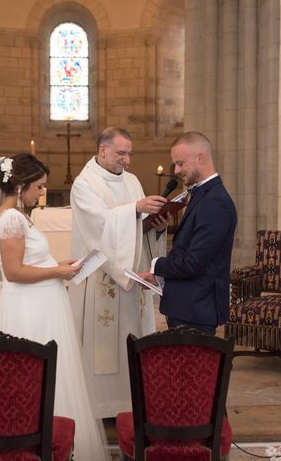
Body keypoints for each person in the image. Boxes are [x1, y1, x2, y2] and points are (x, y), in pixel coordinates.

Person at [0, 153, 108, 461]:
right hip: (30, 309)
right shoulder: (11, 218)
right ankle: (43, 444)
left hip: (40, 302)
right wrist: (57, 272)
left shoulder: (18, 215)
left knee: (47, 375)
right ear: (20, 186)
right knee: (38, 376)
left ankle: (52, 442)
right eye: (38, 187)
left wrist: (57, 264)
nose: (42, 193)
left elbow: (28, 262)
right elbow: (13, 272)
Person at [69, 127, 170, 418]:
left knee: (133, 338)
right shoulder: (84, 183)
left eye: (129, 154)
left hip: (133, 277)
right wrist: (135, 209)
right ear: (102, 150)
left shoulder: (133, 180)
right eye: (121, 153)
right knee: (104, 349)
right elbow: (97, 227)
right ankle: (103, 408)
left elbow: (138, 228)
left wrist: (156, 227)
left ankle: (133, 405)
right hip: (102, 279)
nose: (127, 160)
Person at [140, 131, 237, 334]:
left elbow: (193, 263)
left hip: (197, 309)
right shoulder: (202, 195)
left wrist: (157, 265)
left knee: (193, 366)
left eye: (181, 163)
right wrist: (159, 278)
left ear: (200, 158)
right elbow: (188, 252)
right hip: (186, 305)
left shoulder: (216, 202)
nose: (176, 170)